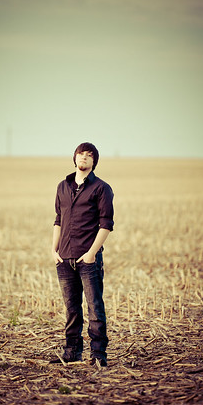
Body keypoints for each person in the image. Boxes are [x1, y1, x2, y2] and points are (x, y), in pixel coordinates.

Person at [50, 142, 114, 367]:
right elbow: (58, 220)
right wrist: (53, 249)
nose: (84, 158)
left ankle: (98, 355)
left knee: (95, 307)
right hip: (64, 258)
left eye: (89, 155)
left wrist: (91, 254)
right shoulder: (62, 186)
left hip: (88, 259)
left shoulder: (101, 188)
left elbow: (106, 225)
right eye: (81, 154)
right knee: (71, 308)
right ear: (74, 158)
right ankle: (72, 352)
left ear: (94, 161)